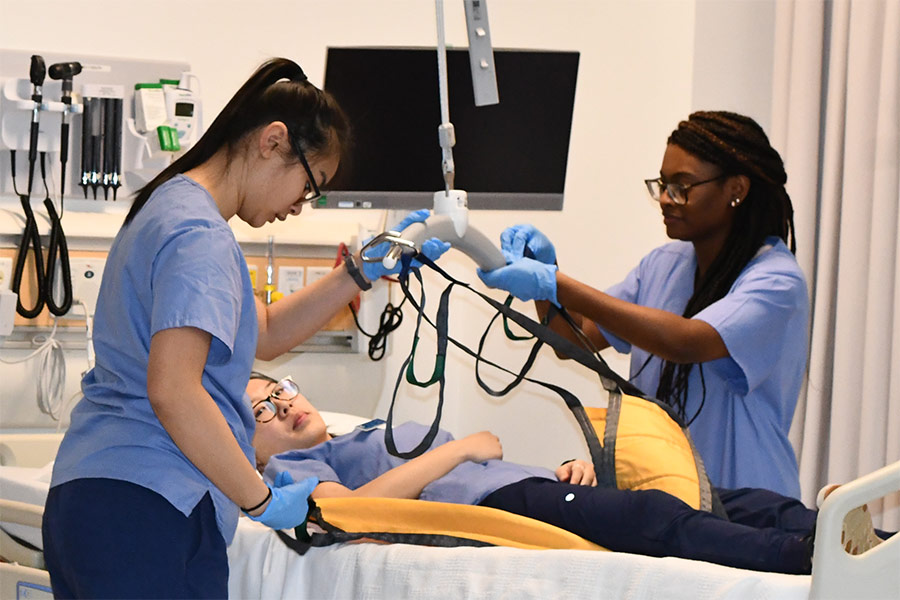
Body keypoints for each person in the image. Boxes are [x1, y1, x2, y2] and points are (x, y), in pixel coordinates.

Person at [41, 58, 448, 599]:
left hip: (94, 499)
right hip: (150, 505)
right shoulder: (199, 234)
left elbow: (267, 330)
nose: (299, 208)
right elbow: (174, 391)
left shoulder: (173, 210)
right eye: (309, 185)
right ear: (272, 142)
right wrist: (260, 499)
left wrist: (359, 271)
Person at [246, 373, 886, 574]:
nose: (284, 405)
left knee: (738, 500)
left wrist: (561, 470)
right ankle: (815, 560)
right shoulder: (297, 467)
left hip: (535, 487)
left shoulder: (364, 432)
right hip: (500, 509)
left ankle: (874, 548)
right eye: (261, 411)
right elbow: (353, 511)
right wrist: (460, 450)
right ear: (248, 450)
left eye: (281, 389)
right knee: (657, 520)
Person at [477, 111, 808, 499]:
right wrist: (545, 282)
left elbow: (686, 342)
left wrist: (556, 283)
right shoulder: (663, 266)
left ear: (735, 189)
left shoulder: (776, 281)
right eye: (663, 185)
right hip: (665, 504)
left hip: (750, 507)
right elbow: (571, 338)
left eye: (682, 187)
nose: (667, 199)